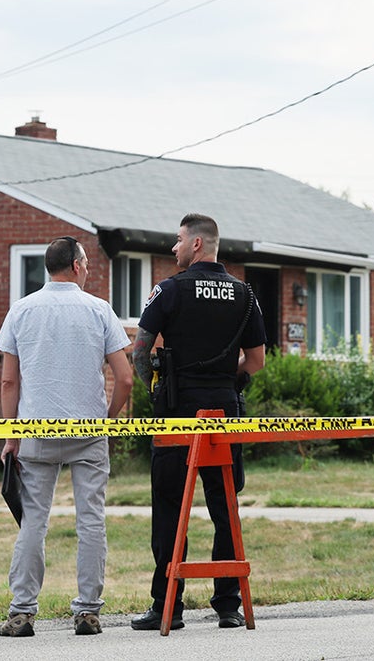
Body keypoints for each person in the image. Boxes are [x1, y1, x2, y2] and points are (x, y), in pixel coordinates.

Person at [129, 214, 266, 631]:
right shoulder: (245, 295)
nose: (173, 248)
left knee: (170, 505)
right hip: (225, 412)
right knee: (225, 505)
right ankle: (227, 604)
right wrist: (228, 381)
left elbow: (140, 351)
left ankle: (166, 606)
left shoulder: (169, 291)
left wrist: (155, 387)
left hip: (176, 412)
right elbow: (256, 362)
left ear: (196, 245)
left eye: (178, 240)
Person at [0, 236, 134, 638]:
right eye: (87, 263)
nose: (88, 268)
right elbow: (124, 377)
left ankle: (22, 612)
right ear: (75, 266)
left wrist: (10, 434)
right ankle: (88, 611)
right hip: (88, 429)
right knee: (91, 520)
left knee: (33, 522)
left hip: (35, 429)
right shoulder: (99, 310)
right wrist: (107, 421)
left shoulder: (20, 310)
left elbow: (8, 380)